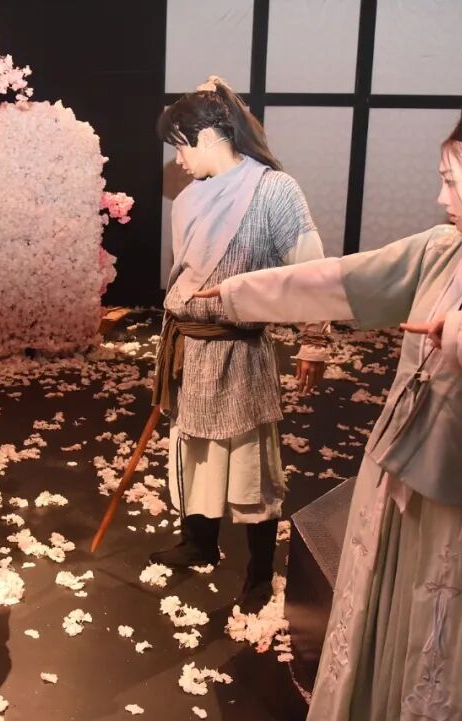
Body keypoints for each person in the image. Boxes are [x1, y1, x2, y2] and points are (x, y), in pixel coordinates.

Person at [195, 82, 462, 720]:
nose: (441, 197)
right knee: (373, 611)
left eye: (451, 181)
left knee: (437, 636)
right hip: (391, 470)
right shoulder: (440, 249)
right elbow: (339, 280)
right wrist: (240, 292)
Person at [151, 75, 330, 612]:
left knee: (250, 463)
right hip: (190, 345)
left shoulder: (275, 190)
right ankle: (199, 542)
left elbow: (310, 268)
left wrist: (314, 340)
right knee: (194, 451)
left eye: (180, 146)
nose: (178, 160)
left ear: (207, 137)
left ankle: (258, 569)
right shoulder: (188, 199)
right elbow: (183, 275)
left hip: (239, 350)